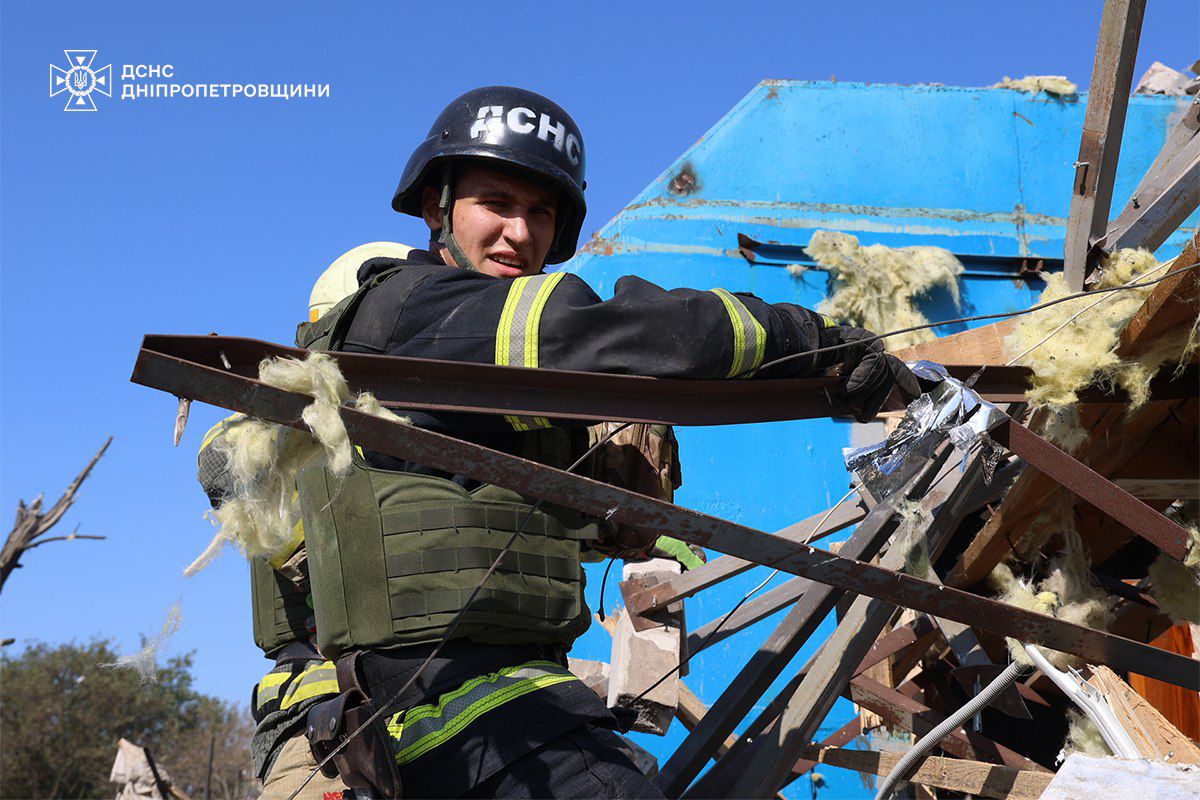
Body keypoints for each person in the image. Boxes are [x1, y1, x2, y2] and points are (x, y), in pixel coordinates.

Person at [296, 86, 919, 799]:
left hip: (462, 709)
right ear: (437, 207)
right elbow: (619, 332)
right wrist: (810, 342)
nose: (520, 234)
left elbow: (475, 519)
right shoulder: (412, 308)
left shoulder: (478, 368)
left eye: (540, 213)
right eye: (496, 204)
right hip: (463, 709)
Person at [196, 243, 414, 800]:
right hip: (322, 717)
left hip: (445, 690)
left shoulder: (435, 421)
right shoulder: (263, 430)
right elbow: (231, 473)